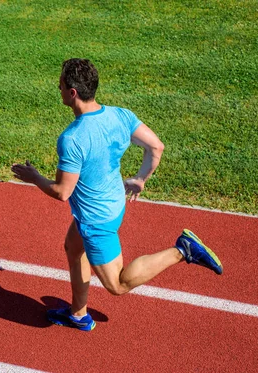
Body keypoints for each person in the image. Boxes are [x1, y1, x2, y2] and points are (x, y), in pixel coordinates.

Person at [11, 58, 223, 332]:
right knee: (73, 249)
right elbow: (156, 147)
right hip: (115, 201)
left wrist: (35, 178)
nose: (59, 89)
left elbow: (63, 192)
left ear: (73, 93)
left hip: (96, 220)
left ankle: (182, 250)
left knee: (118, 284)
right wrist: (140, 179)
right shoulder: (121, 115)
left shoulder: (73, 138)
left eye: (61, 85)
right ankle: (78, 314)